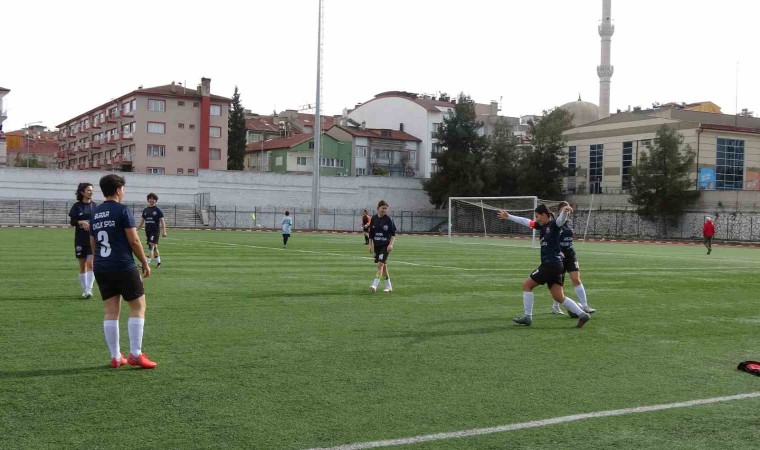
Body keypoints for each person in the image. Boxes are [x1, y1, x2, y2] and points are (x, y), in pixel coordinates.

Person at [89, 174, 156, 369]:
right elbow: (134, 241)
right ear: (118, 190)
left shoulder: (95, 212)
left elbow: (92, 242)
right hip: (122, 265)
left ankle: (116, 357)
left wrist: (100, 259)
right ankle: (135, 354)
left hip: (102, 266)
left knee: (111, 311)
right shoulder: (123, 210)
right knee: (138, 307)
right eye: (124, 189)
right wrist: (145, 262)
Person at [497, 204, 591, 328]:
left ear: (545, 215)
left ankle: (527, 317)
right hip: (556, 266)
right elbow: (526, 222)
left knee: (527, 285)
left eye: (538, 216)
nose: (536, 219)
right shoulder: (542, 226)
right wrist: (509, 217)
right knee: (559, 297)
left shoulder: (554, 225)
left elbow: (560, 220)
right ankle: (582, 314)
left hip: (549, 264)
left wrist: (564, 211)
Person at [550, 201, 596, 317]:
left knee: (576, 279)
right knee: (559, 282)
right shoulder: (555, 223)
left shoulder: (570, 223)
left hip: (570, 253)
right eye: (564, 209)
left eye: (568, 210)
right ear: (559, 211)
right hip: (559, 255)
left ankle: (585, 305)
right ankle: (555, 306)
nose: (567, 212)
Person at [68, 182, 97, 299]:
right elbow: (72, 222)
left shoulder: (95, 206)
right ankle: (85, 289)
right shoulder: (76, 206)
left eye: (92, 190)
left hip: (92, 239)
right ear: (82, 192)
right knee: (82, 266)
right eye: (89, 190)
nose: (91, 192)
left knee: (91, 263)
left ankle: (89, 289)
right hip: (80, 239)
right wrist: (81, 222)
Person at [368, 200, 396, 293]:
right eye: (382, 208)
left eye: (386, 208)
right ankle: (389, 286)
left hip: (385, 245)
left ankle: (374, 285)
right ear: (378, 208)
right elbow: (371, 234)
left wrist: (391, 244)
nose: (384, 210)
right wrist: (370, 245)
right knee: (383, 266)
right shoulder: (374, 219)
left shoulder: (388, 220)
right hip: (377, 246)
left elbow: (393, 234)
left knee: (380, 265)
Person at [136, 193, 167, 268]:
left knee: (151, 246)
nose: (151, 200)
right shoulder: (145, 210)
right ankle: (159, 263)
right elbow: (142, 221)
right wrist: (136, 229)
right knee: (154, 247)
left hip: (155, 231)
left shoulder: (157, 210)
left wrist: (164, 231)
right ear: (148, 200)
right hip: (148, 231)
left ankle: (145, 264)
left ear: (155, 201)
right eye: (150, 199)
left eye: (153, 199)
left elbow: (162, 221)